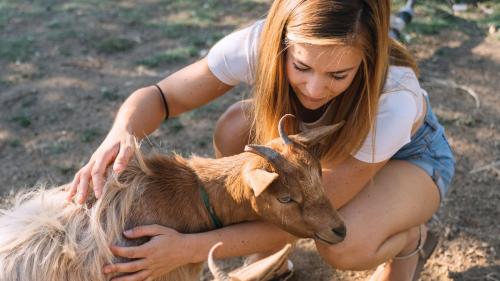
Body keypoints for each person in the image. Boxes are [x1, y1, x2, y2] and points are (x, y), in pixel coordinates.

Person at [66, 0, 455, 280]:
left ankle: (409, 241)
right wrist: (122, 132)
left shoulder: (394, 96)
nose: (315, 88)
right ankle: (273, 264)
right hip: (315, 150)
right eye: (301, 66)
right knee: (238, 126)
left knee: (343, 243)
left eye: (339, 75)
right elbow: (164, 97)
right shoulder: (258, 43)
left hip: (408, 157)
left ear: (367, 62)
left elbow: (310, 215)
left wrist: (187, 248)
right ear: (282, 43)